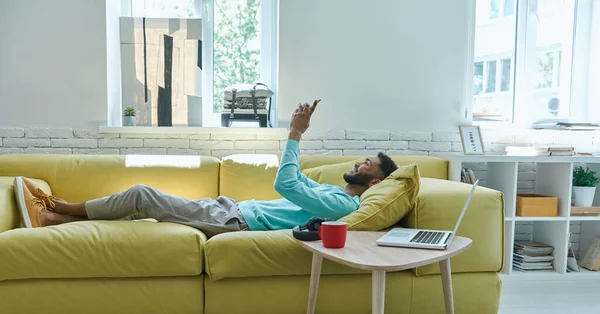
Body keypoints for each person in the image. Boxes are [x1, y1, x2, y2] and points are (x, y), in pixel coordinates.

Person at [14, 100, 399, 236]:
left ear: (376, 180)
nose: (356, 163)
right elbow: (296, 180)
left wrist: (295, 134)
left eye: (366, 164)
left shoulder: (347, 208)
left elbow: (286, 185)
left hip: (236, 221)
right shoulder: (336, 194)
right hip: (230, 209)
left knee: (141, 195)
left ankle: (60, 207)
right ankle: (54, 222)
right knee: (140, 208)